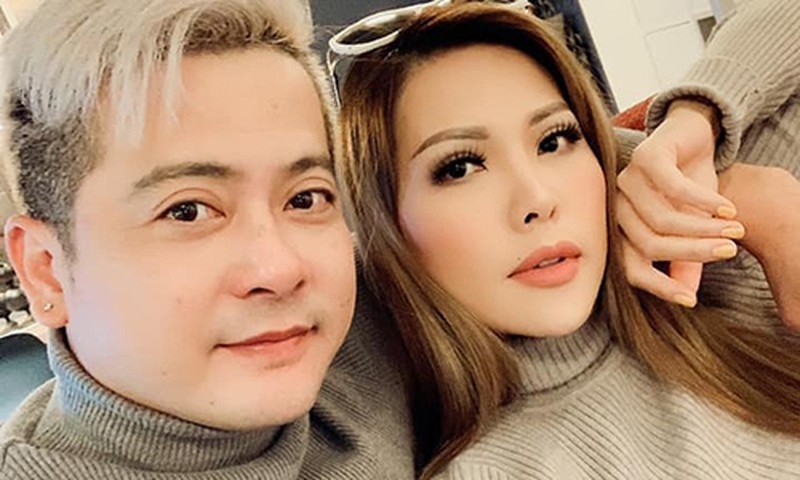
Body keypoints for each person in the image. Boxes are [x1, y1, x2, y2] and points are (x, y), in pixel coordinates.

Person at [335, 1, 800, 478]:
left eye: (553, 140)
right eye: (460, 167)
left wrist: (697, 114)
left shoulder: (723, 266)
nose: (537, 199)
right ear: (387, 226)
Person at [0, 0, 414, 478]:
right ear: (46, 272)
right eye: (187, 211)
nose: (280, 270)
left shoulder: (378, 326)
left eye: (305, 199)